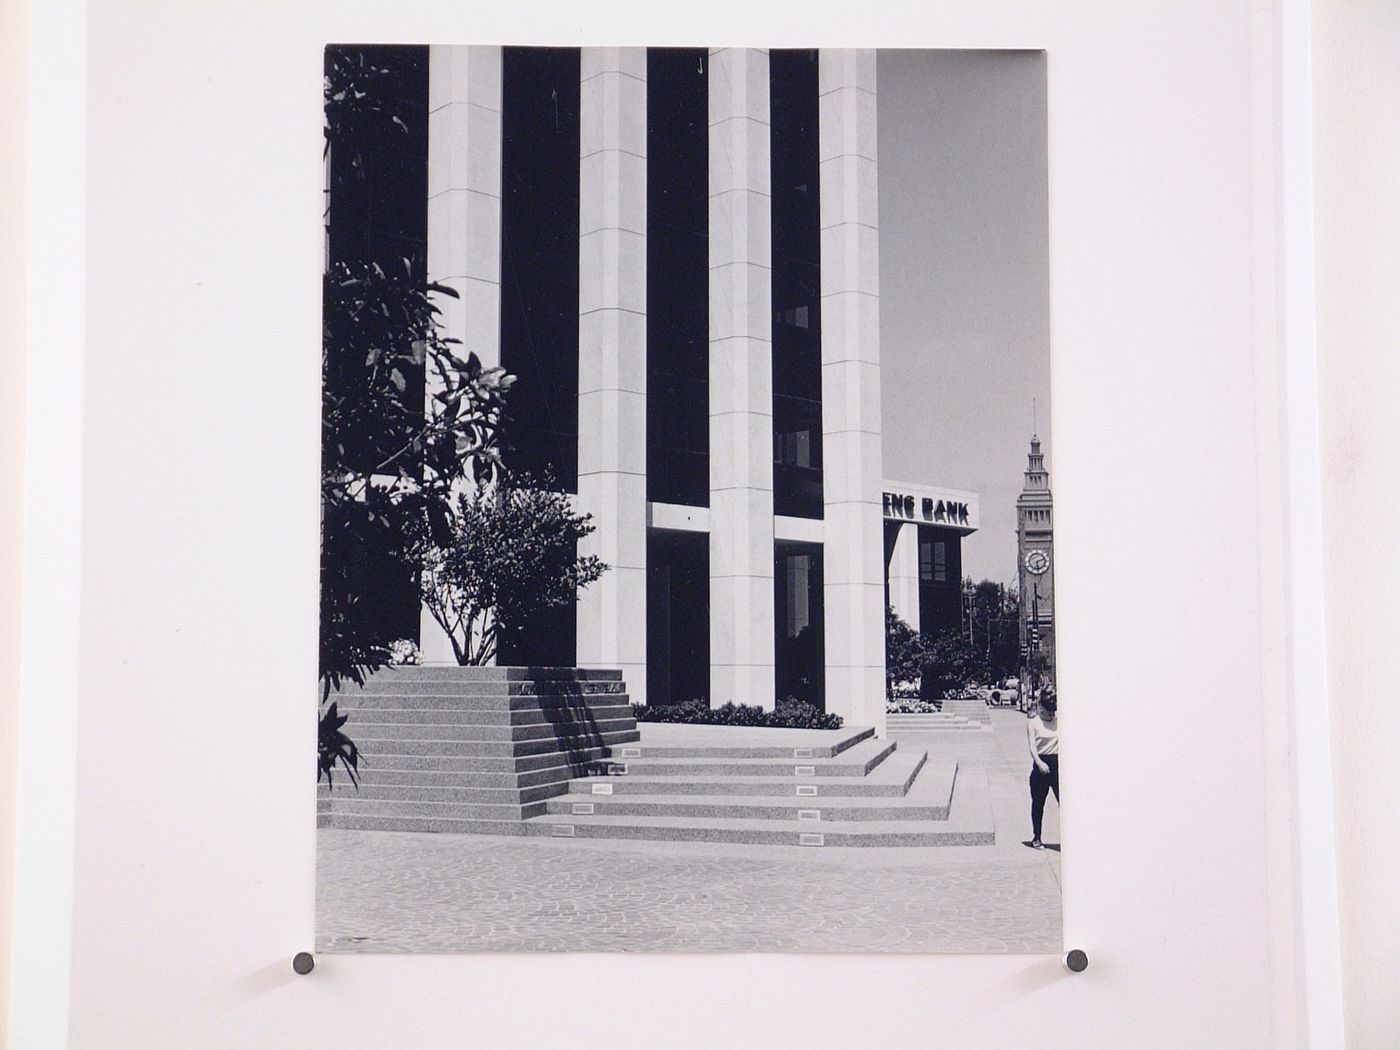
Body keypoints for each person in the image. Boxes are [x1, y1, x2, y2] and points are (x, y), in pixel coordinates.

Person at [1026, 688, 1059, 849]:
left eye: (1053, 710)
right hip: (1041, 764)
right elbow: (1032, 746)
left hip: (1058, 763)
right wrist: (1039, 763)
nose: (1051, 714)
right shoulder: (1033, 723)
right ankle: (1036, 837)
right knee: (1038, 803)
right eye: (1048, 710)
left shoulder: (1059, 720)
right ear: (1041, 707)